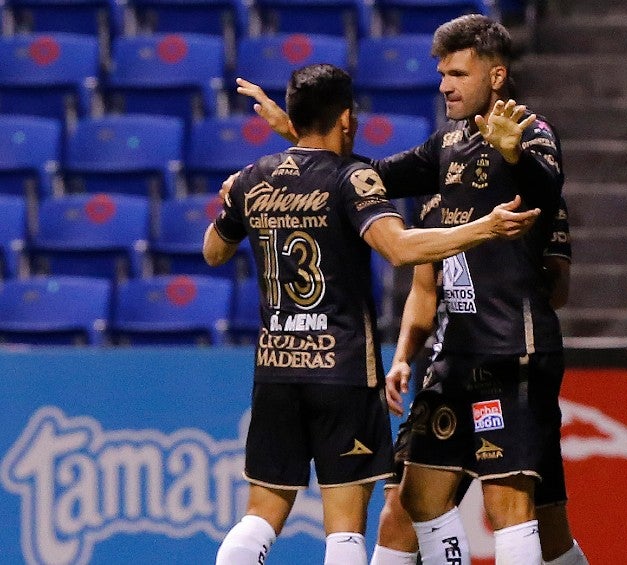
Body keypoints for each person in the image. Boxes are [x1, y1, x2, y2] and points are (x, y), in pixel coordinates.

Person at [237, 14, 579, 565]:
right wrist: (302, 138)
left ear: (496, 76)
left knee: (510, 505)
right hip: (453, 357)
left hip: (511, 350)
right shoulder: (448, 141)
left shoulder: (529, 131)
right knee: (409, 502)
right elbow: (370, 176)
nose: (445, 84)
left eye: (458, 73)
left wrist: (514, 155)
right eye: (442, 73)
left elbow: (547, 190)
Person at [372, 197, 582, 565]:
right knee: (402, 510)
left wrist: (507, 265)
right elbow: (424, 291)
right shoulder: (435, 199)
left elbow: (559, 290)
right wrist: (402, 357)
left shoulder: (535, 193)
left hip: (511, 370)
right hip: (448, 373)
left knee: (543, 525)